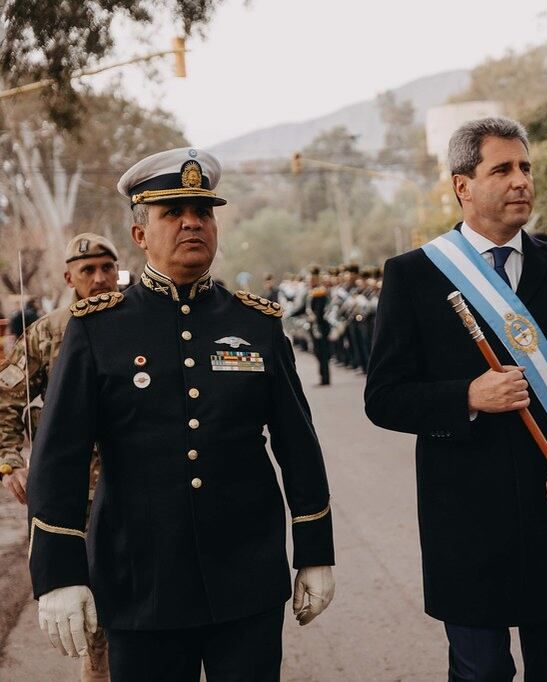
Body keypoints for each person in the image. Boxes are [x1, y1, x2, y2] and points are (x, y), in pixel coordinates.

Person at [26, 147, 336, 681]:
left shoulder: (256, 323)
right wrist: (58, 574)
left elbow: (298, 444)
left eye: (203, 212)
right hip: (139, 579)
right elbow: (60, 456)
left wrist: (315, 550)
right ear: (140, 234)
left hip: (246, 577)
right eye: (174, 213)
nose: (192, 223)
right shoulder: (98, 328)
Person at [365, 117, 547, 680]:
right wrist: (468, 395)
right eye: (502, 169)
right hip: (465, 522)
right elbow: (383, 397)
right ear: (462, 186)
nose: (521, 181)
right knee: (481, 673)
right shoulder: (414, 275)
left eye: (526, 167)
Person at [0, 232, 120, 682]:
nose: (100, 278)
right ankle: (97, 667)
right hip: (76, 490)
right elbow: (7, 397)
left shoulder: (137, 321)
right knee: (87, 589)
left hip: (134, 481)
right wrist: (10, 460)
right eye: (87, 270)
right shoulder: (49, 331)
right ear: (69, 277)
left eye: (107, 268)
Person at [306, 265, 332, 386]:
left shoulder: (320, 291)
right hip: (315, 325)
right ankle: (323, 376)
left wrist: (314, 318)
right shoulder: (313, 291)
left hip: (320, 326)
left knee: (322, 352)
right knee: (318, 352)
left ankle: (325, 378)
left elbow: (319, 311)